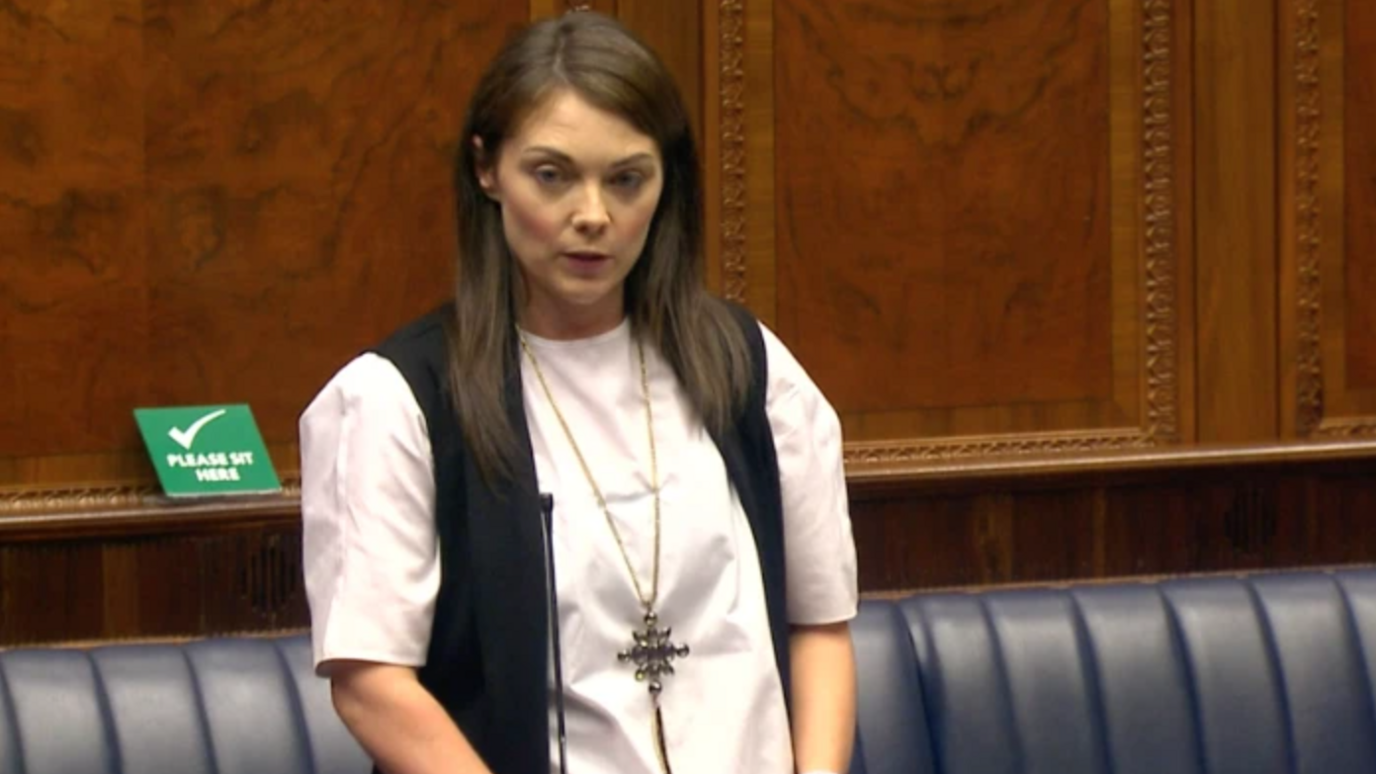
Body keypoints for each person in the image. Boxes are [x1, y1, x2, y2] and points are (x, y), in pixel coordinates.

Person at [299, 10, 857, 774]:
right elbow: (370, 683)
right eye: (552, 175)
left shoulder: (749, 367)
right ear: (487, 169)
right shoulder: (398, 398)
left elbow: (818, 625)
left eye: (627, 179)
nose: (593, 216)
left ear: (667, 183)